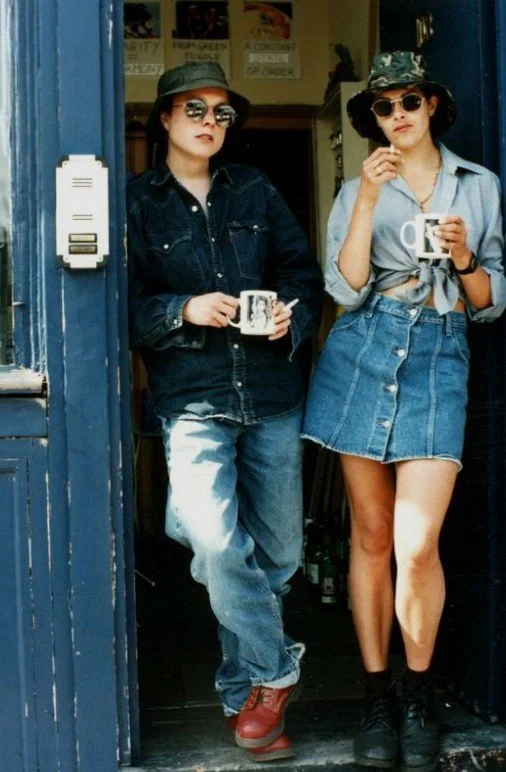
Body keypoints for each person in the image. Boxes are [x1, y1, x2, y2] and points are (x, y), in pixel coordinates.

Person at [302, 51, 506, 771]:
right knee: (373, 536)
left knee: (419, 543)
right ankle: (376, 694)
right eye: (385, 108)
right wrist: (363, 202)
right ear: (374, 121)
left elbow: (490, 304)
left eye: (410, 102)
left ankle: (419, 692)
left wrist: (464, 259)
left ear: (432, 108)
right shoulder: (363, 185)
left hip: (438, 356)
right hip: (364, 347)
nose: (399, 116)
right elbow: (345, 286)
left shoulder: (478, 186)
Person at [127, 62, 323, 761]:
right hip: (196, 400)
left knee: (276, 559)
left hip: (270, 394)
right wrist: (183, 308)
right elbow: (121, 306)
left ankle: (249, 702)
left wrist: (290, 319)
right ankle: (279, 670)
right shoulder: (136, 203)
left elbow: (303, 274)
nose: (210, 122)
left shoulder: (257, 191)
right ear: (166, 121)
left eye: (222, 113)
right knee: (212, 542)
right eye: (195, 109)